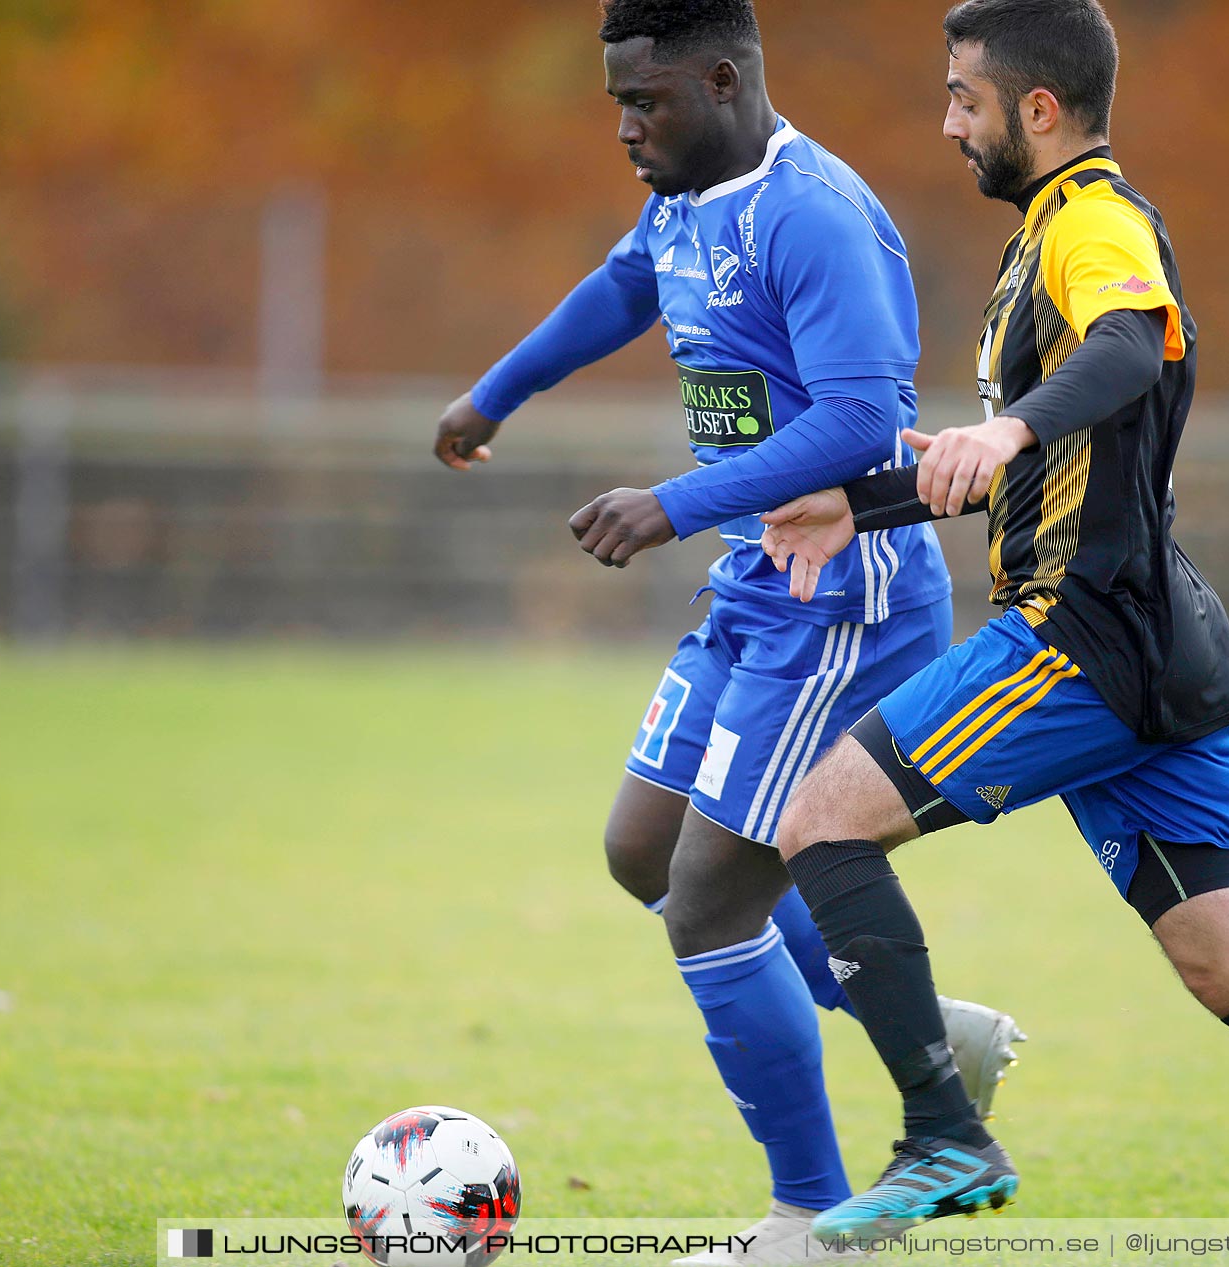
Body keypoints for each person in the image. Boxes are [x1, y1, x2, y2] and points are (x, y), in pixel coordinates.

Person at [756, 3, 1229, 1265]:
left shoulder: (1097, 224)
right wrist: (859, 504)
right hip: (1159, 647)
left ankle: (943, 1134)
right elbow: (1038, 444)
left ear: (1041, 111)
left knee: (817, 822)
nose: (950, 123)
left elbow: (1130, 346)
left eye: (966, 98)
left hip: (1078, 642)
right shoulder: (1039, 246)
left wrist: (1006, 429)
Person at [433, 3, 1024, 1262]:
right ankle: (929, 1031)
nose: (627, 128)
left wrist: (675, 502)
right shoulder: (687, 201)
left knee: (709, 902)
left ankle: (810, 1220)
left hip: (843, 600)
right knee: (642, 851)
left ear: (722, 78)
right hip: (759, 585)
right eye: (616, 105)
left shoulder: (807, 213)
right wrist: (494, 396)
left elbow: (867, 420)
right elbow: (618, 288)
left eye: (644, 102)